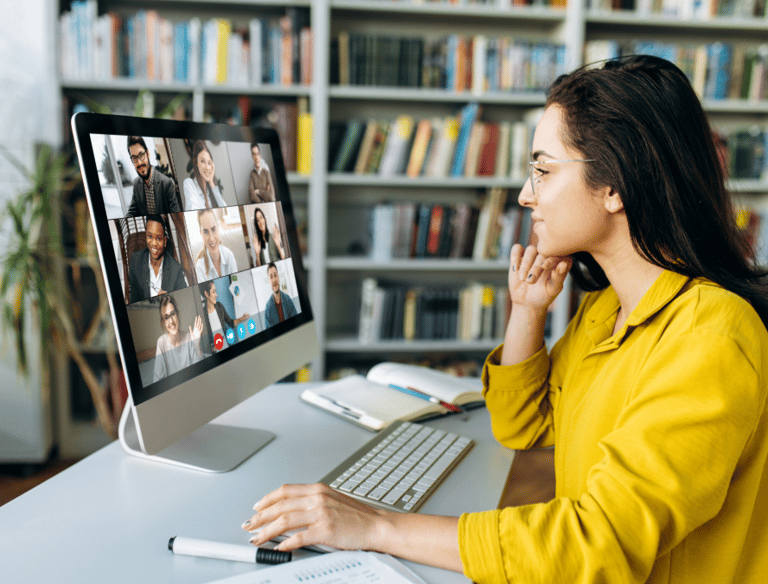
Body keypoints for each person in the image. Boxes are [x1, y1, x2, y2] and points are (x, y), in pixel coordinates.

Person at [241, 56, 768, 583]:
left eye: (543, 169)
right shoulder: (607, 308)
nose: (524, 194)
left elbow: (595, 545)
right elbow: (524, 426)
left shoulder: (712, 337)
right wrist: (528, 312)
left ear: (615, 187)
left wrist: (377, 526)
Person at [127, 215, 187, 303]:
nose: (154, 243)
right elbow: (134, 299)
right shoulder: (136, 260)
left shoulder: (176, 270)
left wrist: (170, 298)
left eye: (158, 238)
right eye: (150, 236)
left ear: (165, 241)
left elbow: (184, 300)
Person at [126, 136, 180, 217]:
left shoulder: (166, 183)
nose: (139, 162)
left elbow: (176, 216)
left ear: (148, 154)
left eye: (141, 155)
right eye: (134, 158)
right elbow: (132, 212)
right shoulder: (136, 184)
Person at [153, 295, 203, 382]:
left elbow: (201, 370)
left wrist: (197, 346)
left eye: (173, 314)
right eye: (166, 317)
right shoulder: (161, 343)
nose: (171, 321)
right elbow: (157, 381)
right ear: (163, 322)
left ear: (177, 314)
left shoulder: (188, 337)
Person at [201, 280, 250, 352]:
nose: (216, 295)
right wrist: (211, 349)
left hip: (227, 347)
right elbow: (203, 342)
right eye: (213, 292)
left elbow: (231, 323)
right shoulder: (203, 315)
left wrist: (242, 318)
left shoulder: (219, 306)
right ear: (206, 294)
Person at [195, 209, 238, 282]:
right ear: (201, 234)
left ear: (218, 228)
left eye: (213, 229)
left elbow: (237, 286)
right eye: (205, 232)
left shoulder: (229, 256)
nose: (211, 238)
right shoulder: (200, 267)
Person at [183, 140, 226, 210]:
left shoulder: (211, 188)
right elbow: (193, 213)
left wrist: (211, 182)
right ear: (196, 162)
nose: (207, 167)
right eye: (202, 161)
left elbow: (225, 210)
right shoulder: (189, 184)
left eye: (209, 163)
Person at [263, 262, 297, 327]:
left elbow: (296, 322)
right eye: (271, 277)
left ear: (278, 277)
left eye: (275, 275)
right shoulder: (268, 308)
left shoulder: (288, 299)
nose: (274, 280)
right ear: (269, 281)